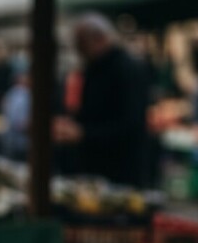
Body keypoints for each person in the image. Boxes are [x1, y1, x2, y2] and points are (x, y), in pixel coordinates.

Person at [52, 13, 149, 186]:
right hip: (93, 167)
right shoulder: (92, 68)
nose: (79, 51)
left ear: (98, 38)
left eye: (81, 45)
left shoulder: (126, 69)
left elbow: (131, 124)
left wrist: (83, 133)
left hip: (119, 170)